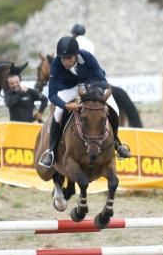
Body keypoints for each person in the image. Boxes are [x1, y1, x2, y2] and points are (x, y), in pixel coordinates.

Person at [38, 36, 131, 168]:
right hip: (68, 88)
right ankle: (51, 151)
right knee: (58, 114)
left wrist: (92, 89)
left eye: (69, 58)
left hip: (90, 84)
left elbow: (101, 79)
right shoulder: (56, 65)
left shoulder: (87, 57)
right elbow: (52, 94)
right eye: (63, 58)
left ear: (76, 55)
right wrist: (66, 105)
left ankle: (117, 143)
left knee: (114, 108)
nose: (65, 62)